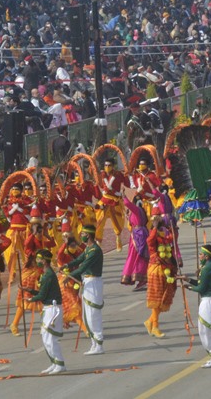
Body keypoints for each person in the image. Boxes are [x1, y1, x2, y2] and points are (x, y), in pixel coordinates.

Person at [65, 225, 105, 355]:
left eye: (82, 233)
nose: (81, 235)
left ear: (88, 235)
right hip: (88, 282)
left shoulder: (95, 250)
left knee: (93, 314)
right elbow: (79, 260)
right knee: (86, 315)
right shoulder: (88, 248)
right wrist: (67, 265)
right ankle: (94, 344)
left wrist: (69, 277)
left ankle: (99, 344)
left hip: (93, 282)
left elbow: (83, 266)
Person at [182, 245, 211, 368]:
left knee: (208, 331)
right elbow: (201, 283)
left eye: (201, 254)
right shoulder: (208, 266)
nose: (199, 256)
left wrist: (189, 287)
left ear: (206, 256)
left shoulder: (208, 268)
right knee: (207, 330)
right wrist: (188, 280)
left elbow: (201, 288)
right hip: (210, 300)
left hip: (210, 301)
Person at [24, 249, 66, 374]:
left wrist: (31, 299)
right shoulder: (45, 274)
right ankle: (54, 363)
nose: (37, 261)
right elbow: (43, 293)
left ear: (44, 260)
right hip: (47, 308)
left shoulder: (48, 275)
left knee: (50, 339)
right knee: (45, 338)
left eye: (38, 259)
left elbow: (42, 295)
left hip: (53, 308)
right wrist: (30, 290)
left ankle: (60, 364)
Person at [143, 210, 177, 339]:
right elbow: (150, 240)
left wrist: (171, 228)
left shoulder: (164, 239)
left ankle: (150, 321)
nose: (162, 230)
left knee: (163, 298)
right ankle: (155, 326)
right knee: (157, 299)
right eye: (160, 228)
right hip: (156, 270)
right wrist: (155, 226)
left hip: (166, 269)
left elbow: (172, 238)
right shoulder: (153, 239)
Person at [96, 158, 126, 250]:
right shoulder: (102, 175)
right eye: (105, 165)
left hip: (115, 202)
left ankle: (118, 238)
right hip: (104, 201)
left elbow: (126, 183)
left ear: (113, 166)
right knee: (99, 223)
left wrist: (120, 192)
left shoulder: (118, 174)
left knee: (118, 222)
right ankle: (98, 243)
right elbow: (100, 185)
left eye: (109, 165)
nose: (107, 167)